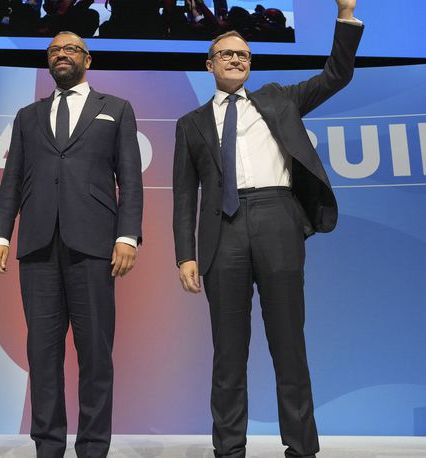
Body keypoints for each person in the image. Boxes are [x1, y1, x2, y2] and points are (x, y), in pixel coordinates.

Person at [171, 1, 362, 456]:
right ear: (210, 64)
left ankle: (301, 448)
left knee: (289, 345)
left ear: (250, 65)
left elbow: (336, 75)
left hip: (277, 218)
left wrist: (347, 15)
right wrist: (185, 254)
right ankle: (229, 449)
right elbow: (184, 196)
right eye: (227, 53)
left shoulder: (279, 98)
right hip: (224, 231)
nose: (236, 59)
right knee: (229, 354)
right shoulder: (190, 124)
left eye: (244, 55)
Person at [0, 31, 143, 458]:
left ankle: (93, 447)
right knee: (42, 355)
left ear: (87, 60)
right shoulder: (27, 115)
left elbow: (130, 179)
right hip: (37, 246)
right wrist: (0, 234)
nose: (61, 55)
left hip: (94, 245)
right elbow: (11, 181)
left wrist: (127, 235)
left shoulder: (116, 109)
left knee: (95, 354)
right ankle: (48, 447)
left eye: (70, 49)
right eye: (54, 50)